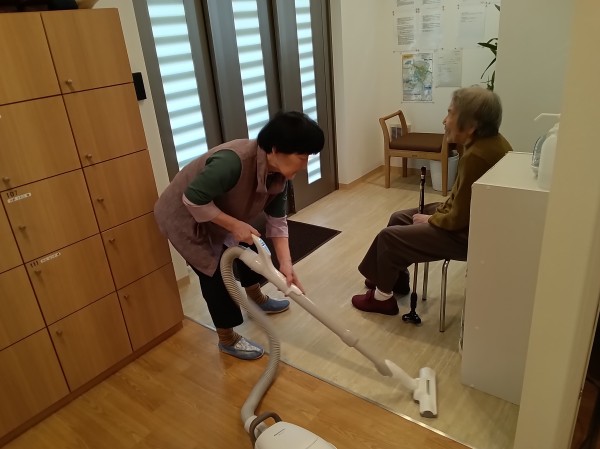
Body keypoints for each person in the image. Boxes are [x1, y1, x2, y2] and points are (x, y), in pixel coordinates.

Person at [154, 111, 325, 359]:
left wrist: (286, 265)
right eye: (302, 156)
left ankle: (256, 297)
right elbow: (192, 199)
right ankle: (227, 338)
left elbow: (277, 223)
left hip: (218, 210)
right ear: (276, 149)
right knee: (214, 272)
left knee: (251, 247)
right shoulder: (233, 161)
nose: (305, 164)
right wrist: (233, 224)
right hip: (184, 215)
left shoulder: (279, 176)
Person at [352, 86, 513, 315]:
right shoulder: (489, 142)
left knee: (389, 237)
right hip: (471, 223)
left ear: (471, 125)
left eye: (450, 113)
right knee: (398, 217)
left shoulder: (477, 156)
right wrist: (436, 214)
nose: (444, 121)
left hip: (468, 235)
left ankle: (382, 298)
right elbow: (462, 201)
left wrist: (432, 219)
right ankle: (392, 278)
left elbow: (459, 218)